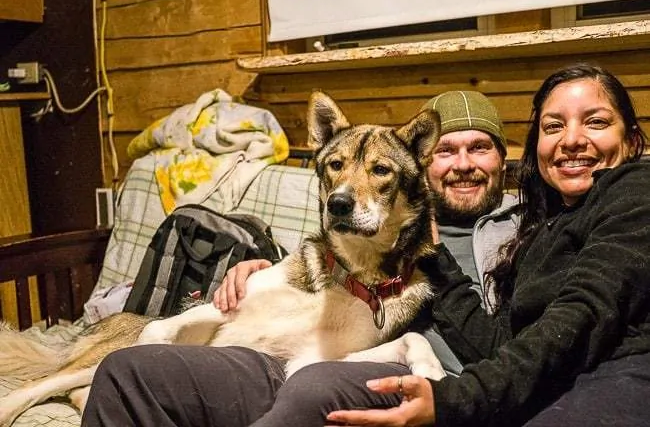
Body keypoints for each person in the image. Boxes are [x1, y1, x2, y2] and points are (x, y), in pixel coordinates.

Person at [81, 90, 520, 426]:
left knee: (311, 385)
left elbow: (507, 346)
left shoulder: (520, 232)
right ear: (427, 163)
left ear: (503, 157)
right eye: (447, 150)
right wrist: (255, 264)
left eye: (480, 147)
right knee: (127, 370)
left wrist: (435, 257)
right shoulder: (394, 224)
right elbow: (327, 264)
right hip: (300, 350)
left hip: (401, 379)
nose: (463, 163)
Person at [326, 63, 650, 427]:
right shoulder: (545, 226)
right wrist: (256, 267)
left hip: (610, 379)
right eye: (554, 126)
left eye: (596, 122)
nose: (571, 140)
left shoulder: (628, 193)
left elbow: (583, 315)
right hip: (507, 384)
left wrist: (453, 399)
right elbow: (502, 344)